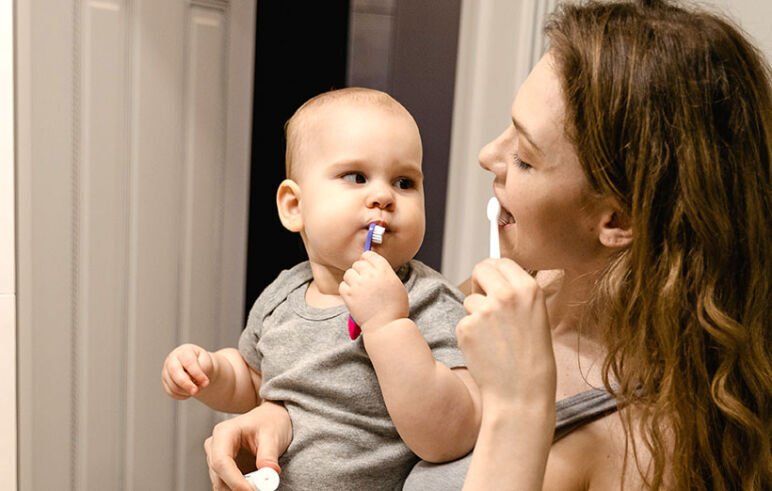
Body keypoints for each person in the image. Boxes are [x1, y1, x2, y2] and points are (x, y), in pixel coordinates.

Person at [203, 0, 771, 489]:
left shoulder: (648, 444)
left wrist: (519, 406)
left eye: (524, 156)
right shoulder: (511, 300)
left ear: (615, 217)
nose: (486, 157)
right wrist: (276, 419)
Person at [161, 87, 481, 490]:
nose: (383, 196)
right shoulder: (282, 296)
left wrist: (387, 325)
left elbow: (453, 435)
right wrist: (210, 371)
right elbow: (254, 382)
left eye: (404, 182)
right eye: (357, 177)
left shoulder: (429, 300)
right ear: (295, 207)